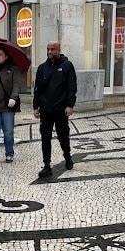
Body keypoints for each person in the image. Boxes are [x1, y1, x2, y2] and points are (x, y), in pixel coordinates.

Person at [33, 41, 77, 179]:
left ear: (59, 50)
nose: (50, 52)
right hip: (45, 110)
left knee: (63, 136)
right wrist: (35, 106)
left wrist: (70, 105)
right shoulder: (42, 68)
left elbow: (72, 87)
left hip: (60, 109)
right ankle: (47, 165)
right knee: (45, 138)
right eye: (48, 49)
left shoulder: (67, 66)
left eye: (53, 49)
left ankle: (67, 156)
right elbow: (37, 89)